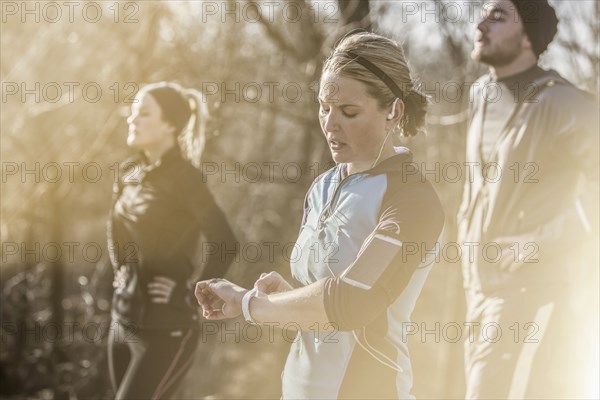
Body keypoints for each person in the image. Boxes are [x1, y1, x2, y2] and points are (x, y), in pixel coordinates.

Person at [195, 32, 445, 399]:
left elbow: (352, 300)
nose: (330, 124)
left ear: (393, 111)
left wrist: (249, 303)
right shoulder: (323, 186)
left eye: (348, 111)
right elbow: (322, 304)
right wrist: (289, 298)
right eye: (324, 108)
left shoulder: (412, 199)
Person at [458, 1, 599, 398]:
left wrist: (544, 241)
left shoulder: (564, 103)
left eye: (499, 16)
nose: (480, 23)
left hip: (533, 291)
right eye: (483, 12)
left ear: (527, 39)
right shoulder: (481, 95)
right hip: (479, 292)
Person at [106, 82, 237, 400]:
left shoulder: (185, 177)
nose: (132, 119)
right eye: (133, 112)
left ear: (169, 125)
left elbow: (225, 241)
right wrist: (121, 267)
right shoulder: (128, 172)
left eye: (144, 113)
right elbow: (115, 227)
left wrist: (191, 292)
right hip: (122, 323)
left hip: (168, 330)